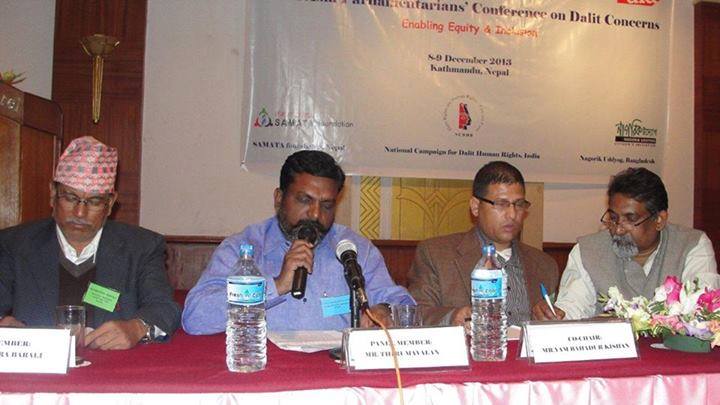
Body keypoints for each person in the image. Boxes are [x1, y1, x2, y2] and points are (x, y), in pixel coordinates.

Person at [182, 150, 414, 334]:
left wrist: (384, 311)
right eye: (304, 200)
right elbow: (195, 317)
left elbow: (403, 305)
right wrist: (276, 286)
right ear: (279, 198)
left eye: (327, 205)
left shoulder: (354, 250)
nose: (315, 214)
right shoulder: (243, 249)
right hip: (264, 372)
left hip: (336, 373)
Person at [0, 136, 180, 350]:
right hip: (38, 366)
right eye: (70, 198)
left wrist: (137, 328)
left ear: (110, 203)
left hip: (114, 366)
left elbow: (164, 307)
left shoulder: (141, 247)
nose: (79, 212)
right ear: (53, 194)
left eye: (94, 201)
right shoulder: (14, 244)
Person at [535, 167, 720, 320]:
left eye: (630, 219)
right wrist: (556, 316)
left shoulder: (692, 246)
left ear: (659, 220)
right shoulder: (587, 251)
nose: (618, 230)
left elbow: (703, 312)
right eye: (613, 218)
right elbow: (573, 307)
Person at [407, 161, 559, 327]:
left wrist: (548, 318)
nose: (512, 214)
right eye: (501, 204)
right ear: (475, 207)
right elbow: (415, 314)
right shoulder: (437, 254)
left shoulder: (545, 265)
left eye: (519, 204)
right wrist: (453, 317)